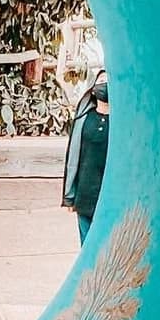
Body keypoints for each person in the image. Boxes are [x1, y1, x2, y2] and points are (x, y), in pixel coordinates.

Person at [62, 69, 110, 244]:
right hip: (85, 194)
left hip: (109, 195)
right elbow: (74, 158)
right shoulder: (84, 119)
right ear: (92, 88)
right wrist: (70, 195)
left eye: (109, 81)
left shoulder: (121, 124)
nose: (105, 85)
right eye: (102, 80)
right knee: (87, 246)